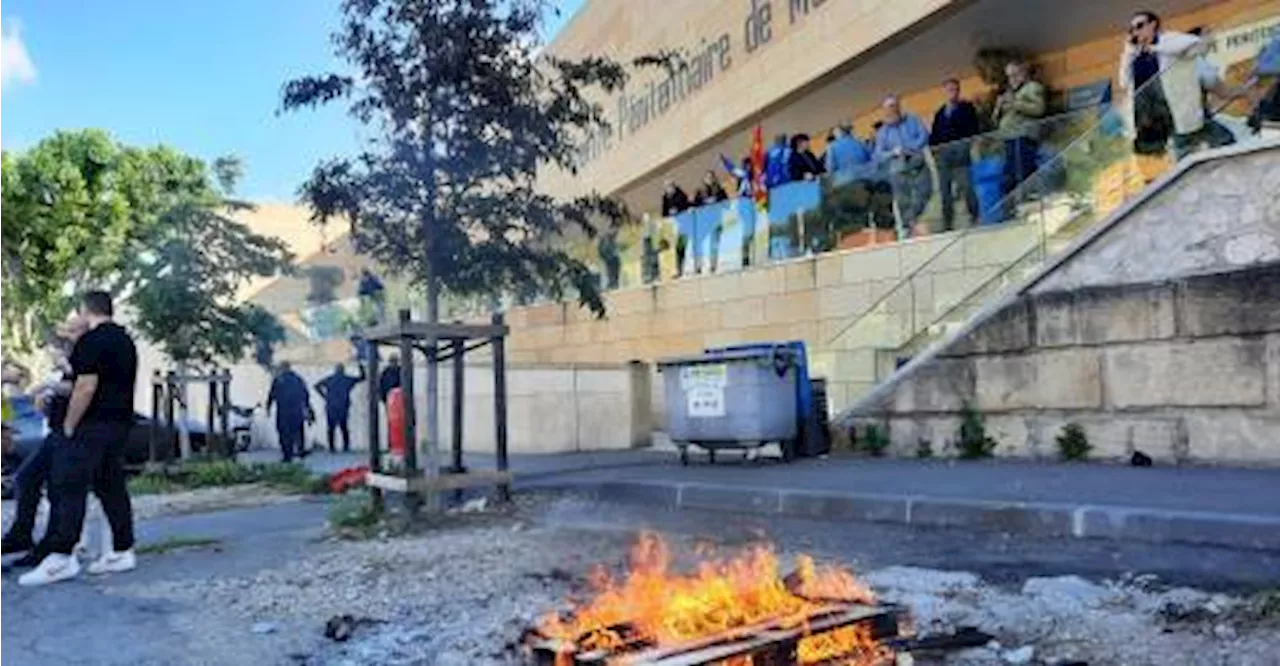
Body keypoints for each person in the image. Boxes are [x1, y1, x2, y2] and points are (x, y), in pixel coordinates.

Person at [21, 292, 138, 587]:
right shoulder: (125, 341)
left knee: (67, 485)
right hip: (118, 424)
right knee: (110, 486)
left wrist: (71, 424)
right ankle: (122, 550)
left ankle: (61, 557)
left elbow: (85, 387)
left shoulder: (93, 341)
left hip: (91, 426)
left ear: (87, 311)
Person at [0, 315, 91, 568]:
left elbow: (81, 387)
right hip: (56, 429)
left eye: (70, 332)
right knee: (27, 478)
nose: (65, 338)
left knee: (62, 488)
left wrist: (47, 385)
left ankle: (56, 547)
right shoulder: (68, 361)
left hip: (75, 431)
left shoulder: (88, 355)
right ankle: (21, 535)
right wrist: (46, 397)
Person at [1119, 11, 1206, 160]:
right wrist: (1128, 52)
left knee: (1187, 151)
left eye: (1140, 26)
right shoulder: (1135, 55)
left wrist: (1155, 48)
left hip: (1175, 110)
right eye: (1132, 29)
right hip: (1149, 117)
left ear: (1153, 24)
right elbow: (1123, 82)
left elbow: (1197, 44)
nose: (1136, 32)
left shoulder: (1167, 40)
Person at [874, 95, 933, 233]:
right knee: (903, 200)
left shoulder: (912, 120)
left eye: (894, 106)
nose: (891, 110)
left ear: (898, 107)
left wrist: (910, 148)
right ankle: (908, 227)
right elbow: (878, 154)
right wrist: (893, 152)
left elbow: (924, 135)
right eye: (888, 108)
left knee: (925, 191)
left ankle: (912, 218)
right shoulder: (883, 132)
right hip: (898, 170)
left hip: (917, 164)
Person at [929, 78, 983, 230]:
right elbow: (934, 136)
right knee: (945, 191)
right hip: (944, 156)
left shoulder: (966, 107)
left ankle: (975, 216)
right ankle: (948, 222)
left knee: (967, 186)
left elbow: (973, 129)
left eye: (955, 89)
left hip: (961, 154)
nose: (952, 93)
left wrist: (966, 146)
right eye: (949, 90)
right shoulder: (940, 113)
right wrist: (936, 154)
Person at [994, 61, 1047, 204]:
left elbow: (1038, 109)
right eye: (1009, 76)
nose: (1012, 79)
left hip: (1023, 136)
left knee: (1023, 173)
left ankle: (1027, 203)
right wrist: (998, 108)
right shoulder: (1010, 92)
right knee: (1009, 175)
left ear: (1023, 73)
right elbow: (997, 120)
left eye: (1015, 75)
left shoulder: (1032, 88)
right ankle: (1014, 205)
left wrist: (1014, 103)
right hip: (1009, 138)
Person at [267, 362, 314, 463]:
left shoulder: (279, 380)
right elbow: (305, 395)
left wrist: (268, 408)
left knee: (284, 433)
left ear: (283, 368)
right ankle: (300, 450)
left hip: (283, 411)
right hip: (296, 410)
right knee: (298, 432)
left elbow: (271, 395)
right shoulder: (298, 379)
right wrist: (308, 409)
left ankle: (287, 455)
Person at [314, 363, 367, 453]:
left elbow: (316, 386)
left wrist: (325, 396)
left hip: (331, 405)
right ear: (343, 370)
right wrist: (361, 367)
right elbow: (362, 378)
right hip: (343, 405)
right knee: (344, 426)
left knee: (331, 427)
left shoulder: (330, 379)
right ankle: (345, 446)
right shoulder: (346, 379)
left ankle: (332, 447)